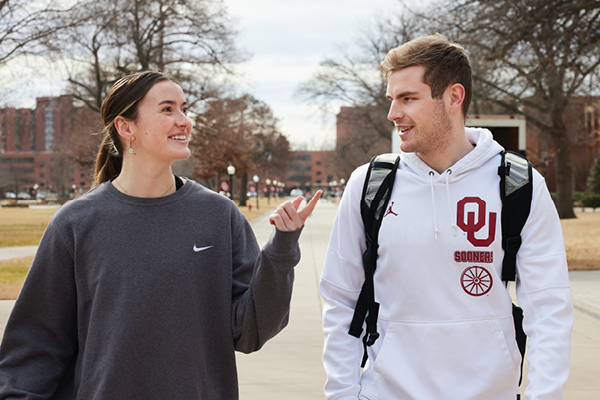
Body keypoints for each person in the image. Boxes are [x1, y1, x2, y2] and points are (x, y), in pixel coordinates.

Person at [0, 71, 321, 399]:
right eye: (167, 110)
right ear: (126, 128)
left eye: (184, 109)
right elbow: (34, 347)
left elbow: (251, 331)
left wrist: (282, 248)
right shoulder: (75, 223)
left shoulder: (218, 216)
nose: (184, 121)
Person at [320, 34, 573, 400]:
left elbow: (549, 308)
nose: (393, 113)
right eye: (392, 99)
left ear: (454, 97)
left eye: (408, 98)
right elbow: (340, 300)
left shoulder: (519, 186)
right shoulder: (370, 185)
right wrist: (343, 394)